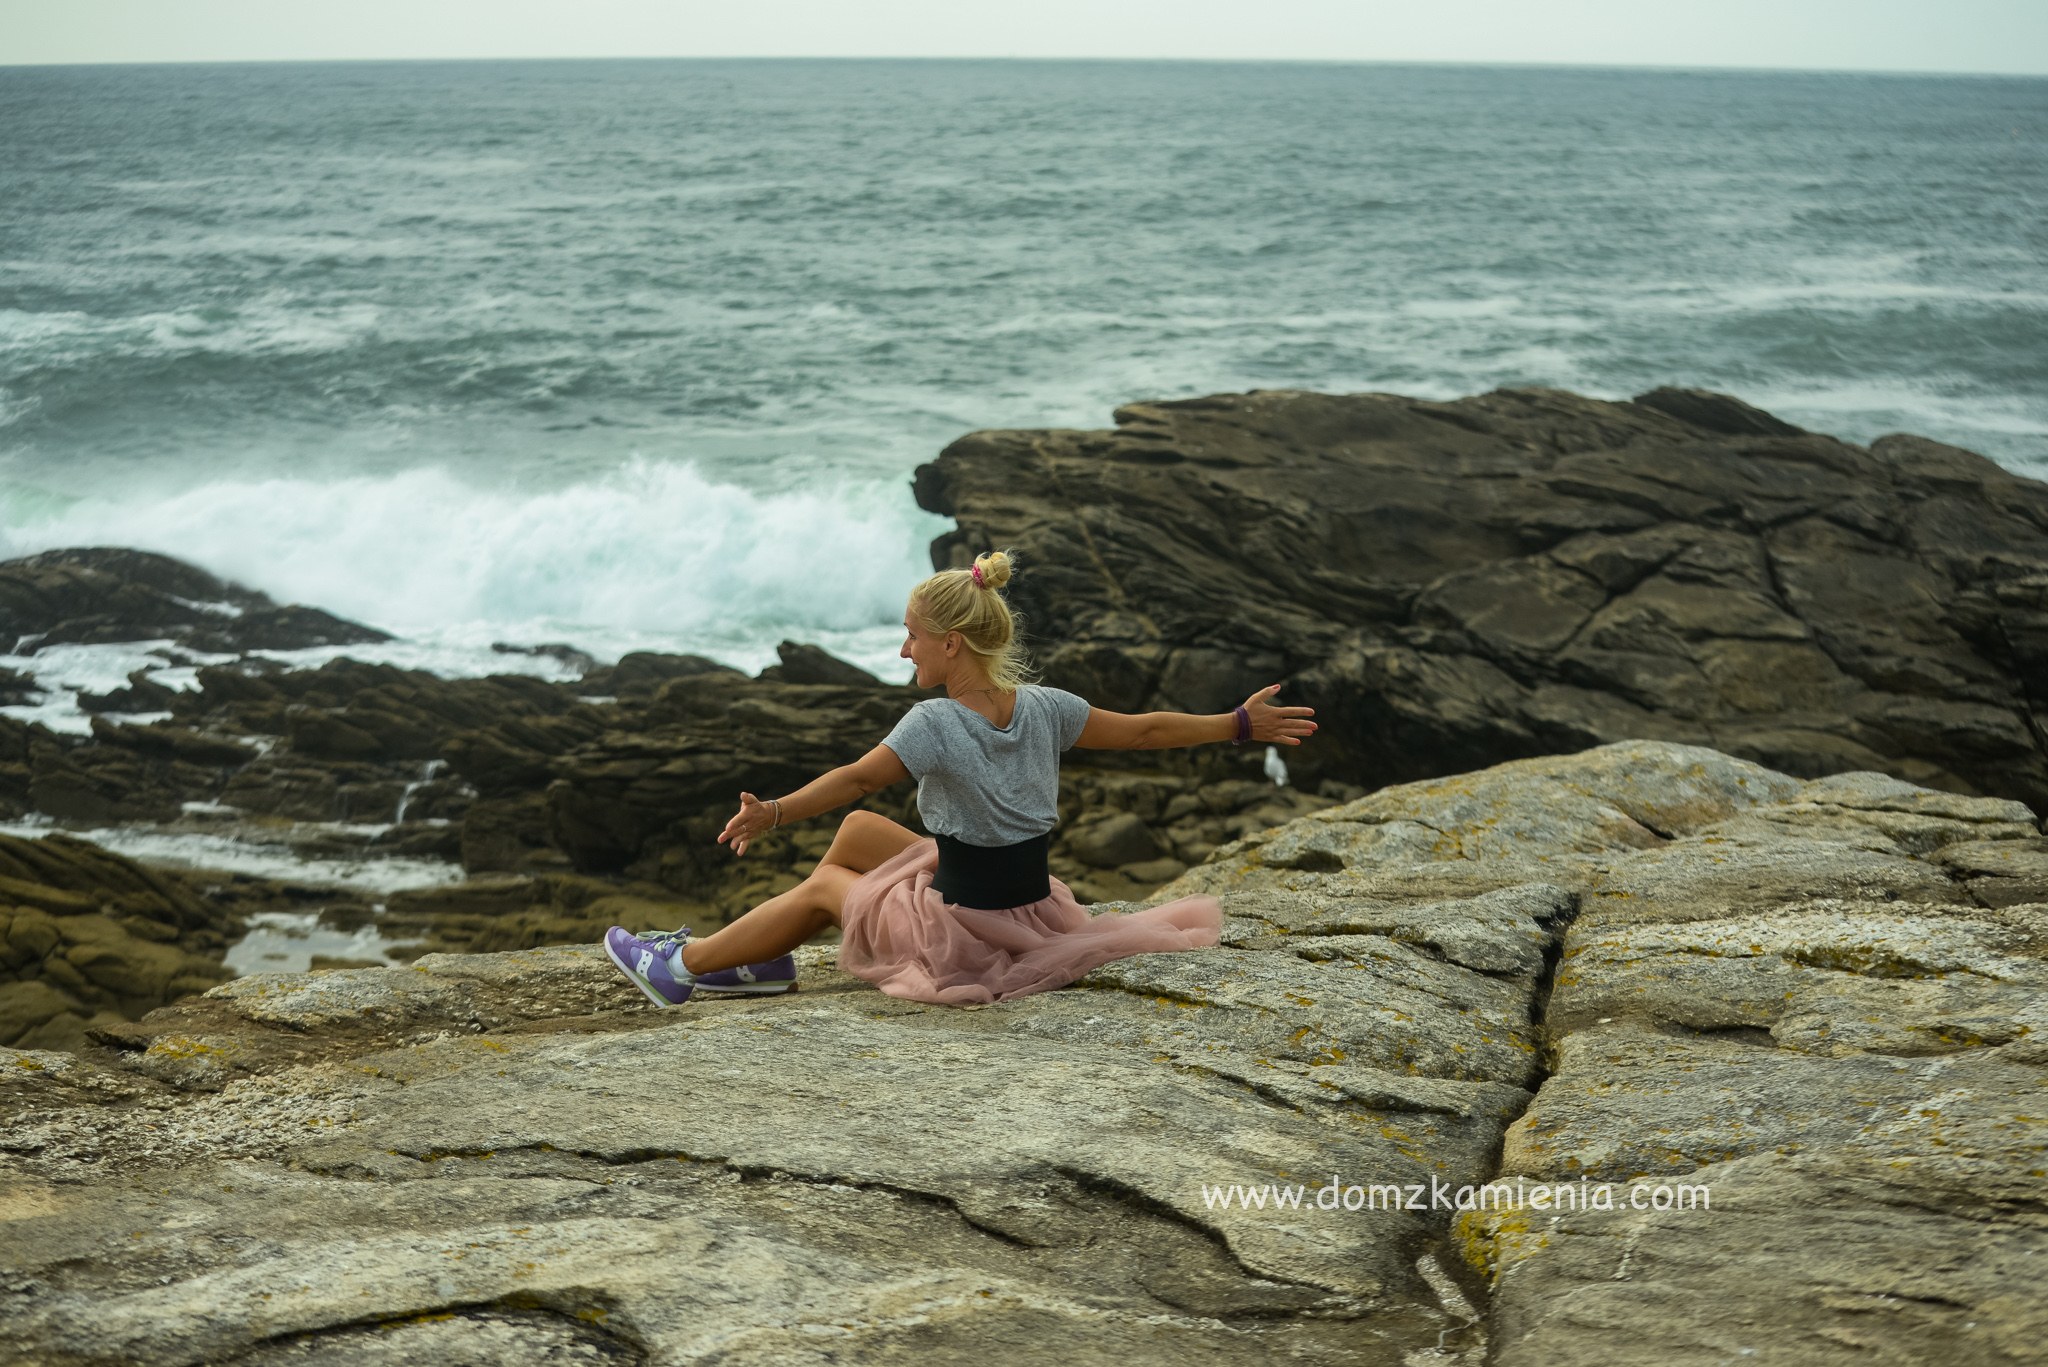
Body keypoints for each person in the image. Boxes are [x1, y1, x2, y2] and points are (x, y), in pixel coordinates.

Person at [603, 547, 1319, 1008]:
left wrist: (776, 812)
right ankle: (765, 958)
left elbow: (856, 777)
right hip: (1031, 909)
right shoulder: (1047, 707)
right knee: (859, 835)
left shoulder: (932, 725)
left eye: (912, 635)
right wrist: (1237, 724)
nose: (903, 647)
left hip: (964, 938)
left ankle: (682, 968)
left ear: (950, 643)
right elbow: (1146, 730)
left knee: (825, 885)